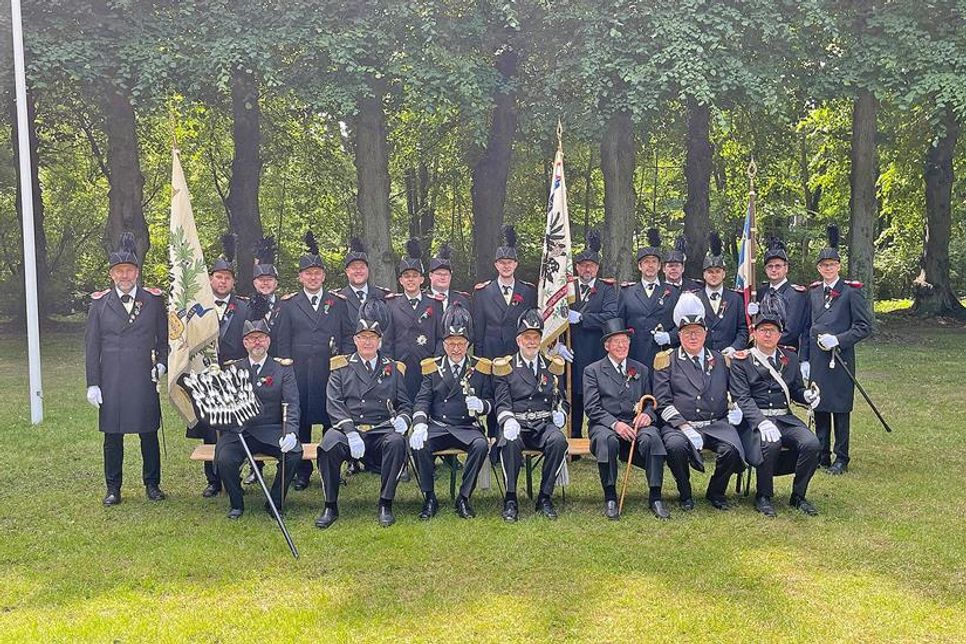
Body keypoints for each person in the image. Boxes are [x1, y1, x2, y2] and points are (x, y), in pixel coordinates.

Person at [85, 232, 168, 506]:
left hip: (143, 377)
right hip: (112, 378)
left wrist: (162, 364)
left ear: (137, 272)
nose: (124, 276)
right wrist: (93, 383)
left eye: (129, 271)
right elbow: (92, 346)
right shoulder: (99, 303)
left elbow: (163, 341)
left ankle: (152, 484)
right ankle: (113, 487)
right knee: (113, 435)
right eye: (119, 271)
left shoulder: (154, 300)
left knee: (148, 433)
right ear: (112, 275)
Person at [315, 299, 413, 529]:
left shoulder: (393, 367)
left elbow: (405, 403)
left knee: (397, 443)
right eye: (363, 338)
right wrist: (349, 432)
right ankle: (330, 504)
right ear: (355, 340)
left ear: (380, 341)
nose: (367, 342)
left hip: (380, 429)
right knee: (328, 444)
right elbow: (334, 403)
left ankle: (385, 503)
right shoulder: (340, 367)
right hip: (350, 429)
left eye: (372, 338)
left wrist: (404, 419)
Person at [273, 230, 354, 490]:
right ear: (300, 277)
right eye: (308, 274)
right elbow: (282, 341)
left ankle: (332, 469)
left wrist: (343, 362)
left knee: (332, 422)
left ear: (324, 276)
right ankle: (302, 472)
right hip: (299, 373)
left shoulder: (338, 302)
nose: (313, 277)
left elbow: (349, 334)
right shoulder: (289, 304)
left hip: (330, 373)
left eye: (317, 273)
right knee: (303, 421)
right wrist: (284, 370)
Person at [729, 292, 822, 517]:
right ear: (754, 333)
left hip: (784, 417)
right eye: (763, 330)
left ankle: (798, 496)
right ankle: (763, 495)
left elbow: (796, 390)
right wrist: (761, 422)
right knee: (769, 445)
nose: (768, 334)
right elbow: (742, 397)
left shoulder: (789, 359)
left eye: (773, 331)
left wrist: (807, 396)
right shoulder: (742, 360)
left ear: (780, 334)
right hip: (754, 420)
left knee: (812, 444)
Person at [653, 292, 745, 511]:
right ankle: (685, 493)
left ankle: (716, 491)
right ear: (679, 335)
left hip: (716, 423)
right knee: (675, 446)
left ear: (705, 334)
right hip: (680, 425)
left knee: (731, 450)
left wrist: (737, 408)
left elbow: (736, 392)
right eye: (686, 333)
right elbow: (663, 402)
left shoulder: (722, 359)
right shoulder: (666, 360)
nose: (692, 337)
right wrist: (684, 426)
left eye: (697, 332)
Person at [410, 304, 494, 519]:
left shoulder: (480, 367)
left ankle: (464, 497)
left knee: (481, 444)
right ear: (444, 344)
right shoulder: (432, 367)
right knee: (420, 445)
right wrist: (419, 423)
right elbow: (422, 400)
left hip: (467, 426)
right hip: (439, 426)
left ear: (468, 344)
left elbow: (492, 400)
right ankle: (429, 497)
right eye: (451, 343)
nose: (456, 348)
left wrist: (482, 405)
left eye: (461, 343)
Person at [212, 317, 302, 519]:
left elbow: (292, 403)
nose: (257, 342)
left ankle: (275, 502)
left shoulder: (282, 369)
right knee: (225, 459)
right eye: (252, 339)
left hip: (271, 429)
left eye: (261, 337)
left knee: (294, 453)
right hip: (240, 431)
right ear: (245, 343)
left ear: (268, 341)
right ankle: (236, 503)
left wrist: (291, 433)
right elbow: (223, 406)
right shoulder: (233, 368)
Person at [583, 318, 669, 520]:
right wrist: (615, 424)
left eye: (625, 341)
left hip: (636, 423)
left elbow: (651, 401)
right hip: (606, 424)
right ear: (607, 346)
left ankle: (655, 496)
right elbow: (592, 408)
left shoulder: (641, 369)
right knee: (607, 441)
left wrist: (647, 415)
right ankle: (611, 496)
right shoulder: (592, 371)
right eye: (616, 342)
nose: (622, 346)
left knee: (653, 438)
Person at [188, 233, 251, 498]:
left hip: (235, 376)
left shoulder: (245, 308)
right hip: (206, 374)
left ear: (233, 281)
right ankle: (213, 480)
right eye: (218, 277)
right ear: (210, 279)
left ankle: (233, 475)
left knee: (236, 427)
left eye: (227, 278)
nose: (223, 281)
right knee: (210, 429)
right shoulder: (196, 307)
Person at [806, 225, 872, 475]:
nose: (827, 268)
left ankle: (841, 456)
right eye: (823, 265)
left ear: (839, 266)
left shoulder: (850, 292)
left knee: (841, 408)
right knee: (820, 405)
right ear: (819, 268)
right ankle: (821, 453)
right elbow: (806, 328)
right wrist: (804, 359)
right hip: (818, 359)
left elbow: (864, 327)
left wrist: (840, 339)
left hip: (840, 358)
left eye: (832, 264)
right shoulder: (812, 293)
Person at [492, 309, 570, 522]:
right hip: (516, 424)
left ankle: (545, 497)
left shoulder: (551, 366)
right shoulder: (505, 367)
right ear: (519, 340)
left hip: (543, 425)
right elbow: (501, 402)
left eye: (536, 337)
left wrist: (561, 412)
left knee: (558, 441)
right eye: (527, 337)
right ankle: (510, 499)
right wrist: (507, 420)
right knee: (509, 443)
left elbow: (561, 398)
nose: (532, 342)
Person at [567, 229, 618, 439]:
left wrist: (582, 318)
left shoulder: (606, 289)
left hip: (597, 349)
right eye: (583, 265)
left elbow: (610, 315)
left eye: (591, 265)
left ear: (597, 268)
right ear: (577, 267)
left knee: (600, 395)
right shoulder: (567, 288)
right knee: (575, 396)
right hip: (573, 350)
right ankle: (575, 438)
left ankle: (601, 437)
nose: (587, 269)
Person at [241, 235, 282, 485]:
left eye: (269, 280)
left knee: (280, 415)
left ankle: (289, 463)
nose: (265, 284)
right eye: (260, 280)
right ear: (254, 282)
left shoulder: (286, 306)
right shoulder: (244, 307)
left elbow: (288, 336)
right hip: (252, 366)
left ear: (276, 282)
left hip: (279, 368)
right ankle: (253, 467)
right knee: (251, 415)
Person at [383, 238, 444, 401]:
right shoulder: (392, 304)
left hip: (427, 364)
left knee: (426, 406)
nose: (410, 280)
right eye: (406, 276)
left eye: (414, 276)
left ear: (422, 279)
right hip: (401, 365)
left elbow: (441, 337)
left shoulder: (434, 304)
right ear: (401, 280)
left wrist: (436, 361)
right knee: (402, 406)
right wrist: (390, 364)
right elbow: (387, 339)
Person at [618, 228, 680, 373]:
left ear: (660, 266)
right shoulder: (627, 292)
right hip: (636, 354)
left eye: (654, 262)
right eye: (646, 262)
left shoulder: (673, 292)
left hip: (664, 354)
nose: (650, 266)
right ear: (640, 266)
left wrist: (669, 337)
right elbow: (620, 324)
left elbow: (683, 324)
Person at [754, 236, 811, 379]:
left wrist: (765, 343)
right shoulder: (759, 292)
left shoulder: (796, 294)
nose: (774, 270)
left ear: (786, 268)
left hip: (786, 352)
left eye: (778, 266)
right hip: (759, 353)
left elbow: (792, 330)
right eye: (770, 266)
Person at [692, 231, 747, 357]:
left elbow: (743, 329)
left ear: (724, 274)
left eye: (718, 271)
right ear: (704, 275)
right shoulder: (694, 299)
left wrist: (734, 347)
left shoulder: (736, 299)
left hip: (729, 358)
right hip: (701, 357)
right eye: (710, 272)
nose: (714, 275)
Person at [339, 237, 390, 325]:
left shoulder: (381, 295)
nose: (358, 271)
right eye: (354, 268)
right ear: (347, 272)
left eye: (362, 267)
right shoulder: (339, 299)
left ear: (368, 270)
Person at [427, 242, 471, 311]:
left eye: (446, 274)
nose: (442, 277)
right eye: (439, 274)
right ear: (430, 275)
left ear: (450, 276)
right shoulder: (421, 299)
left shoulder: (462, 300)